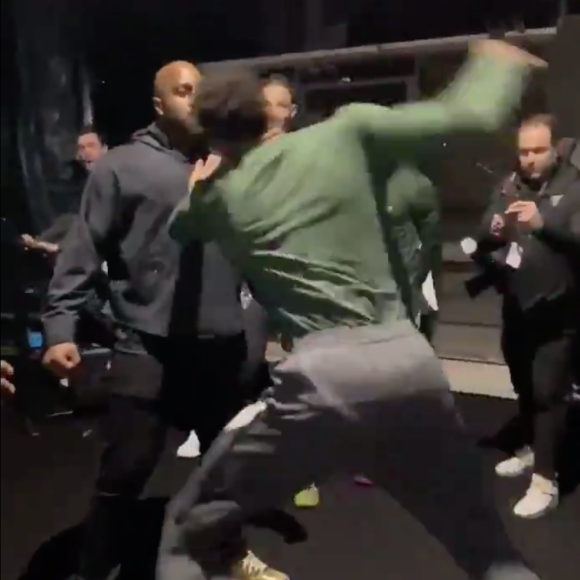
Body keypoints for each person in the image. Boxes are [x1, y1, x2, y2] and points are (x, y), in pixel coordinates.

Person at [158, 40, 546, 580]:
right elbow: (472, 115)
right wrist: (498, 60)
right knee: (486, 549)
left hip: (321, 383)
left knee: (186, 531)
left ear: (210, 130)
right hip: (407, 365)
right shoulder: (345, 131)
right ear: (265, 110)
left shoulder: (219, 199)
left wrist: (207, 175)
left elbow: (179, 227)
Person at [42, 61, 286, 580]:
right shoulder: (122, 166)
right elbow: (83, 249)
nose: (195, 102)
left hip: (220, 345)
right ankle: (92, 568)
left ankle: (227, 551)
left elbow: (255, 249)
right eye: (182, 92)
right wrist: (60, 327)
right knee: (126, 469)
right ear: (158, 105)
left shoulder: (232, 163)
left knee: (223, 470)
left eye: (201, 92)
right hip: (146, 345)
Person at [477, 116, 579, 518]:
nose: (529, 159)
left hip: (560, 310)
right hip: (518, 307)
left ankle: (546, 480)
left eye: (537, 150)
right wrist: (495, 226)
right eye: (523, 151)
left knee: (547, 391)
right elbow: (484, 227)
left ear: (555, 149)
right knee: (523, 385)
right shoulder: (508, 185)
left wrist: (542, 224)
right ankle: (534, 446)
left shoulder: (573, 187)